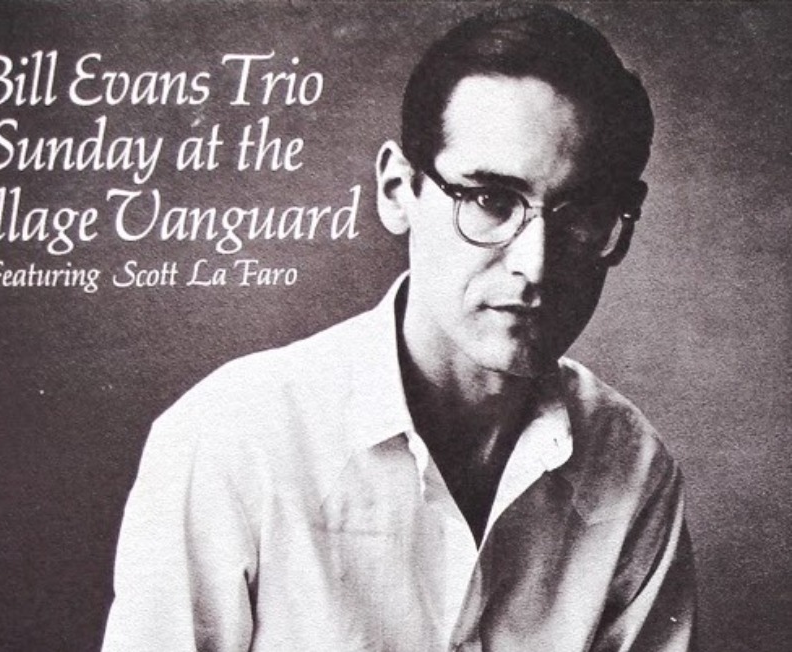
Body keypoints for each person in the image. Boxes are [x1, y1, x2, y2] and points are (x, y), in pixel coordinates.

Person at [102, 5, 696, 651]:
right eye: (490, 200)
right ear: (397, 189)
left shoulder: (632, 465)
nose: (534, 265)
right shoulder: (232, 438)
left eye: (580, 213)